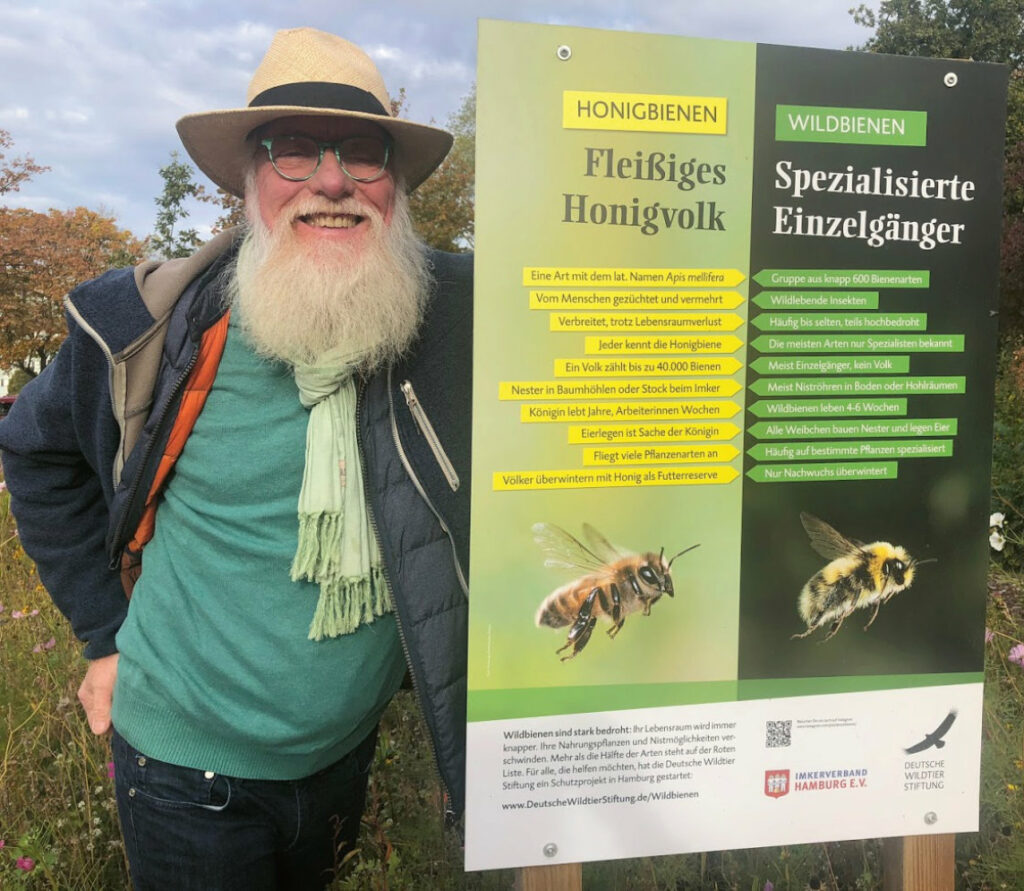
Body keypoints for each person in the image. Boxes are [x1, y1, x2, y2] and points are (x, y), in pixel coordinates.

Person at [0, 27, 471, 890]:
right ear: (249, 181)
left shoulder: (442, 323)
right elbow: (35, 454)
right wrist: (105, 639)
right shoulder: (150, 321)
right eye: (294, 152)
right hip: (184, 775)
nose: (331, 180)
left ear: (394, 189)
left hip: (343, 759)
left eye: (362, 155)